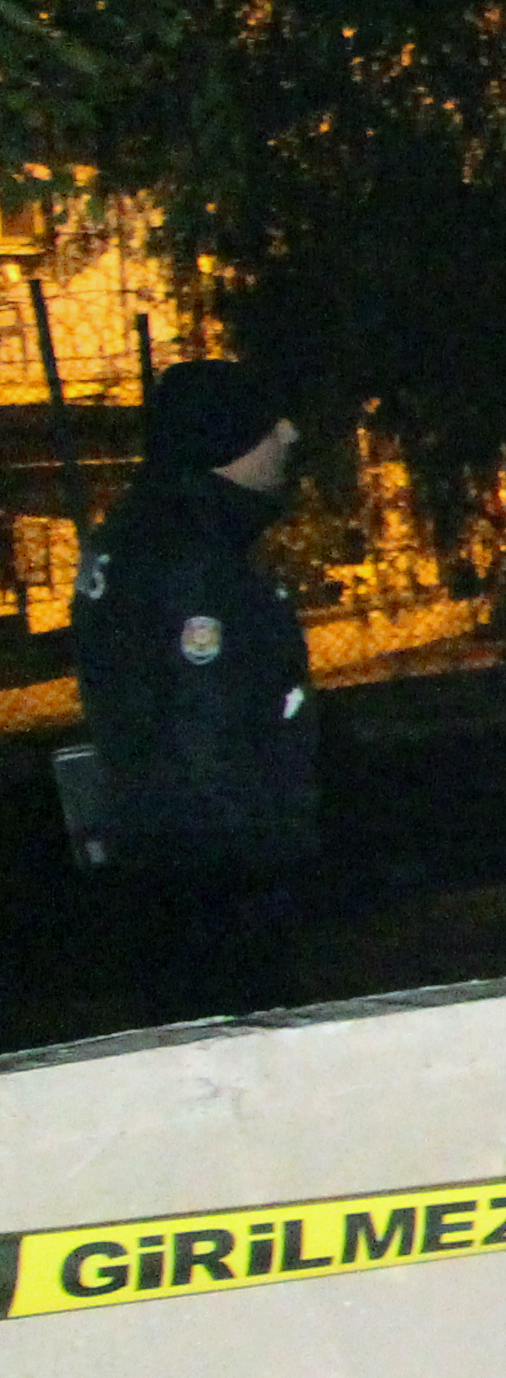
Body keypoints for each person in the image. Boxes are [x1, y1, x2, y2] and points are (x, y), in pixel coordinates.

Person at [67, 355, 319, 1001]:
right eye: (268, 424)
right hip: (215, 876)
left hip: (168, 858)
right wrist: (262, 868)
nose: (289, 434)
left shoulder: (145, 532)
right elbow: (203, 729)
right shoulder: (191, 560)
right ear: (224, 439)